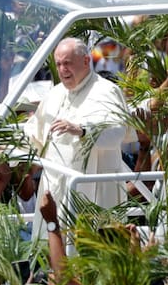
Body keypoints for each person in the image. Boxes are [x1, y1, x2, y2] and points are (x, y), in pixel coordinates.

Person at [23, 37, 133, 211]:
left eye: (67, 63)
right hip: (55, 187)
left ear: (86, 61)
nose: (62, 70)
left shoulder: (106, 91)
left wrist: (83, 130)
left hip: (94, 190)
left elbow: (117, 131)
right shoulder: (55, 94)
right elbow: (33, 133)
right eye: (58, 64)